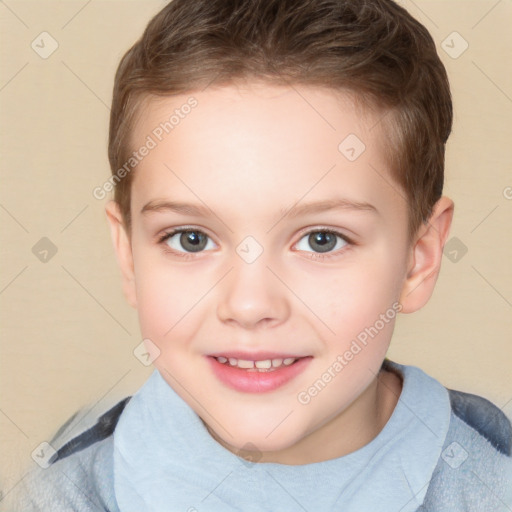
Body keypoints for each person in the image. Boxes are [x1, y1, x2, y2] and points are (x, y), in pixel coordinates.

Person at [6, 0, 512, 510]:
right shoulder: (49, 498)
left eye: (321, 240)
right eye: (191, 239)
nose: (249, 305)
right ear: (130, 256)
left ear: (418, 258)